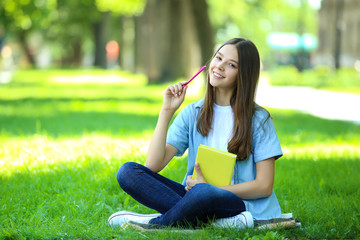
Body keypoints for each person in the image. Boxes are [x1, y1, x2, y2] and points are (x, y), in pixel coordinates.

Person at [108, 38, 283, 230]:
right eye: (218, 58)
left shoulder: (259, 119)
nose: (219, 66)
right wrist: (166, 112)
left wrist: (210, 189)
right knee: (128, 172)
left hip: (236, 203)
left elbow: (264, 186)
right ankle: (203, 220)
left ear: (244, 75)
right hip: (195, 196)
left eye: (231, 64)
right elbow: (153, 165)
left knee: (203, 193)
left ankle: (154, 224)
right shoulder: (193, 113)